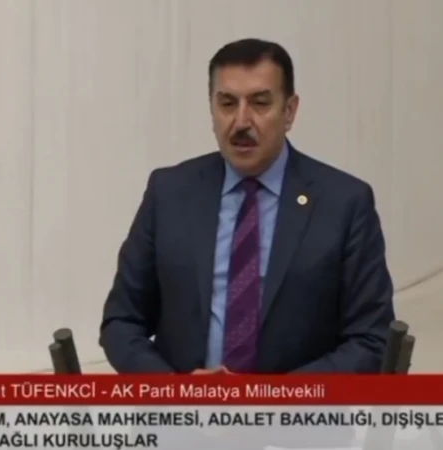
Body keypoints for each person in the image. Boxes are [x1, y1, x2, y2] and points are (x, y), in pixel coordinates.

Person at [100, 38, 395, 376]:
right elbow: (121, 322)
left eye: (260, 103)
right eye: (227, 103)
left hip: (297, 409)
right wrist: (175, 390)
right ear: (212, 110)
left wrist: (274, 397)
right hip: (183, 407)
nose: (241, 121)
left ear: (289, 111)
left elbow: (372, 341)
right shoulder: (169, 193)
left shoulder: (344, 204)